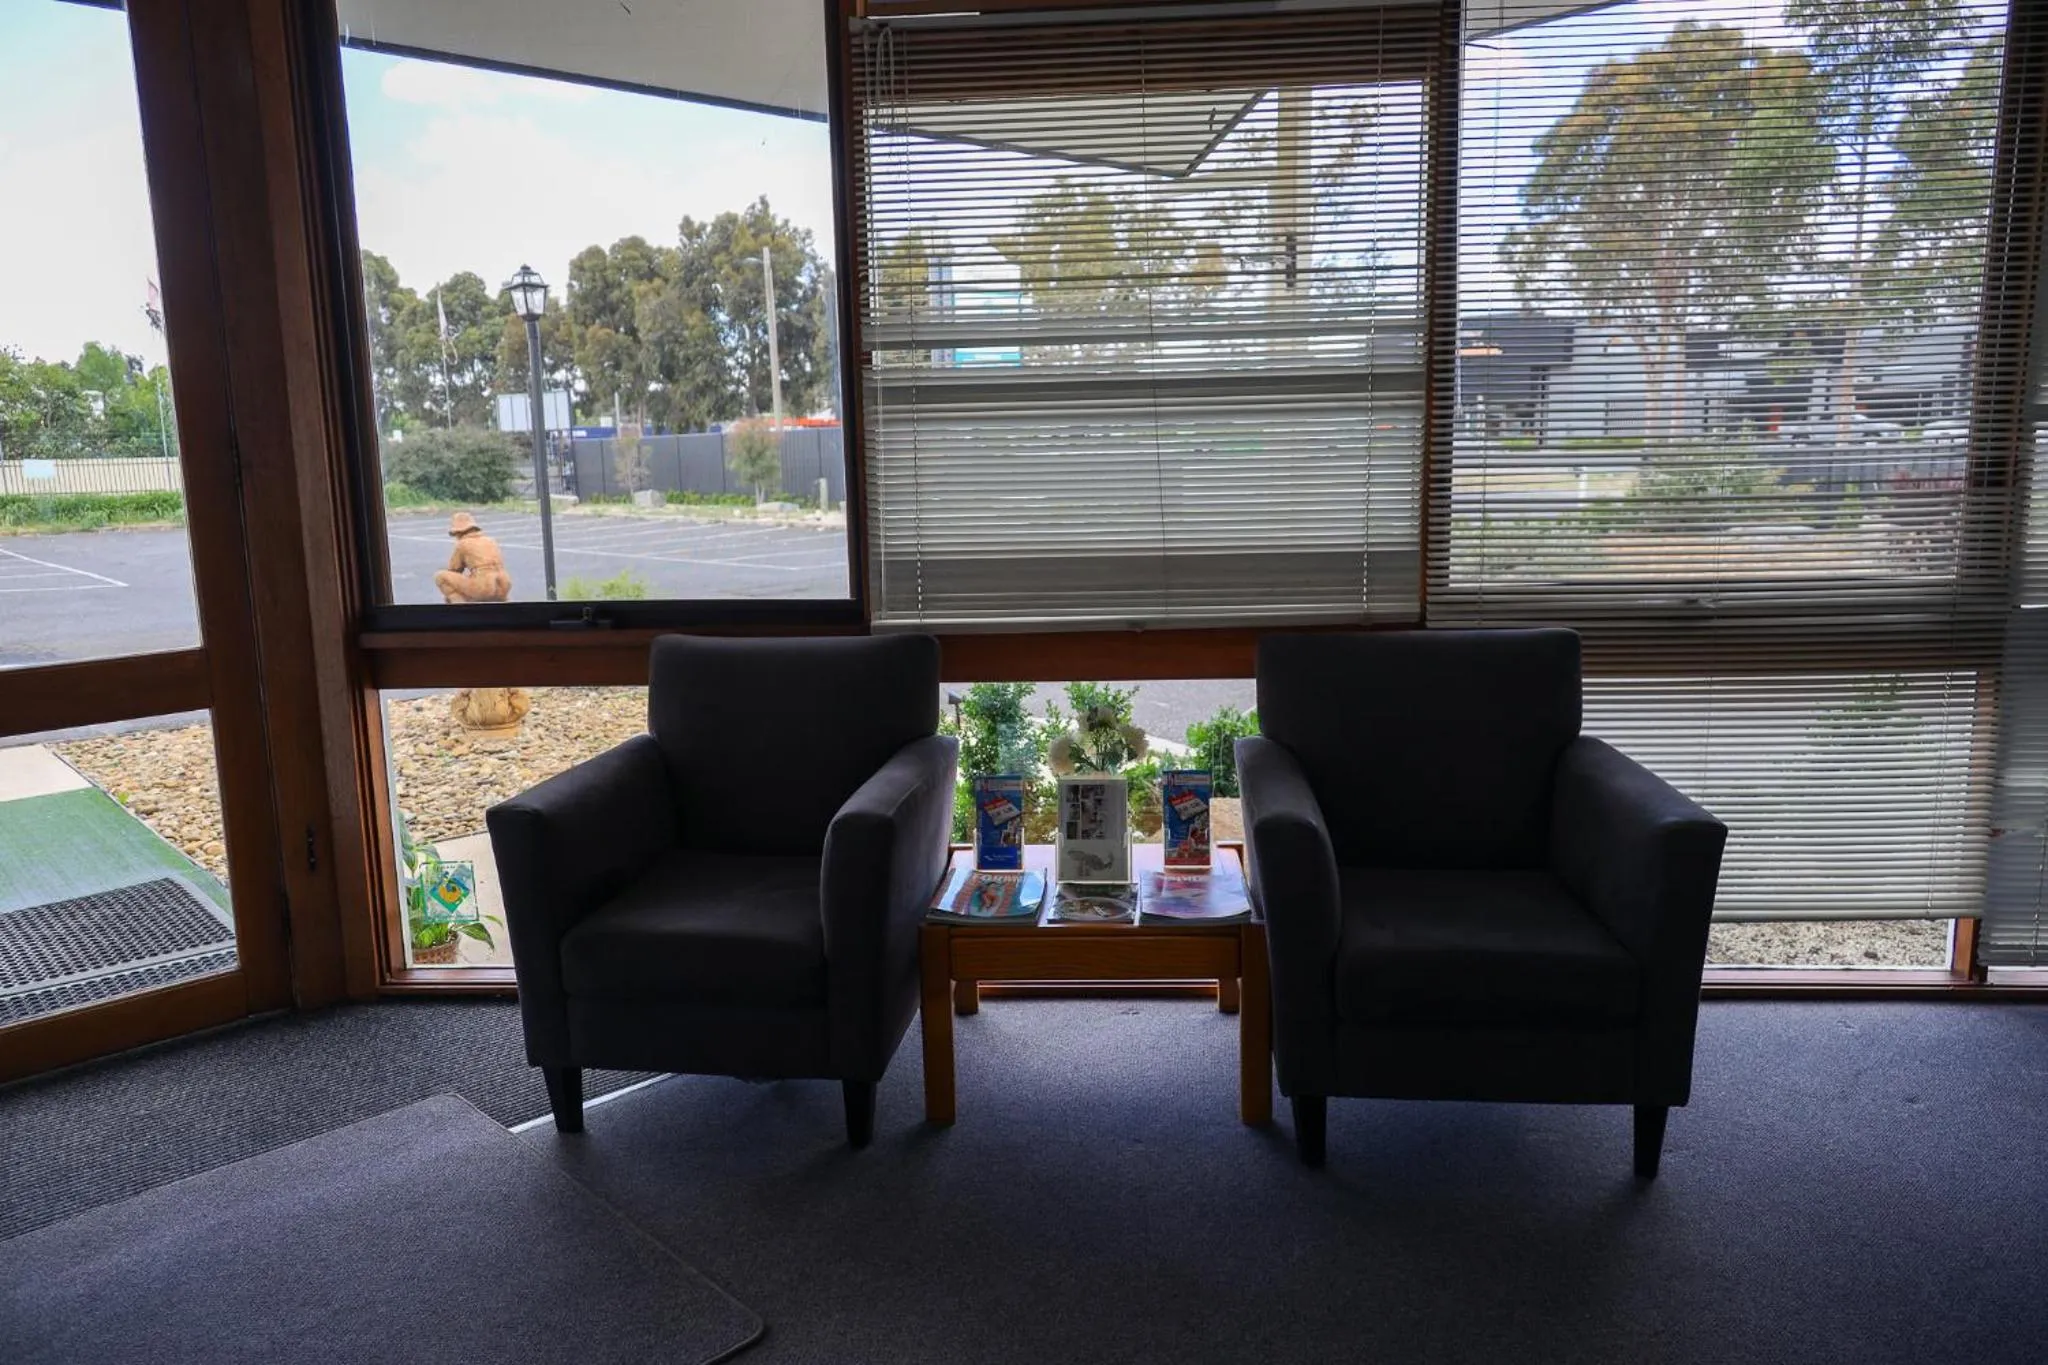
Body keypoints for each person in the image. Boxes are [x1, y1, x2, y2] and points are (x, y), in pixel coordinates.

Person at [434, 512, 512, 603]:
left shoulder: (463, 544)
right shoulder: (491, 541)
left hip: (483, 586)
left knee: (441, 577)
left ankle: (460, 606)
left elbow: (454, 569)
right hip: (504, 585)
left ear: (458, 532)